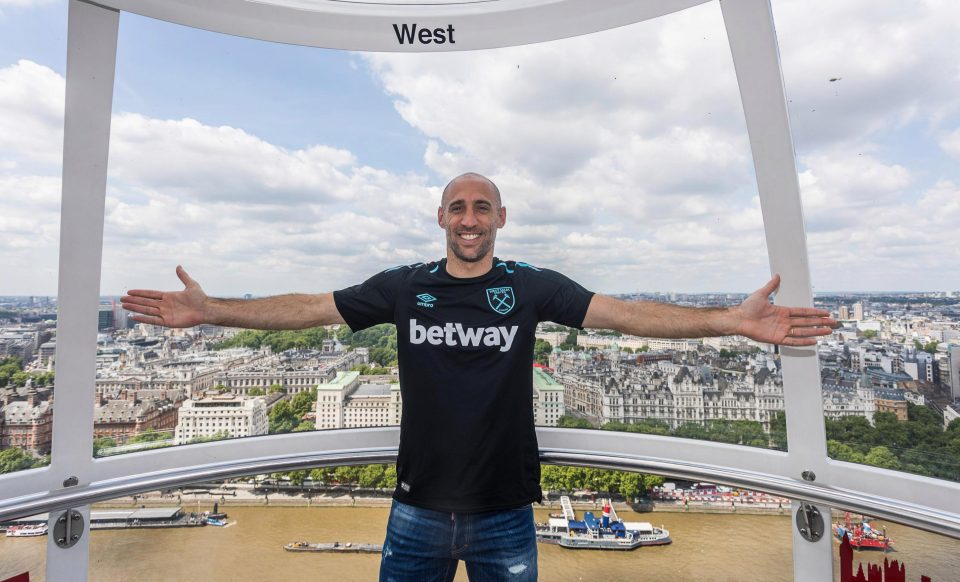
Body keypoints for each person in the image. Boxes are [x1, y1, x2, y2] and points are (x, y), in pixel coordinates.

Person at [121, 172, 836, 581]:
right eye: (458, 207)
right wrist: (211, 310)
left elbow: (622, 315)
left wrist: (729, 321)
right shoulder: (404, 286)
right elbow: (310, 308)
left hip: (503, 512)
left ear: (500, 218)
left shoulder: (531, 286)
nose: (469, 218)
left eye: (481, 207)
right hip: (416, 510)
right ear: (441, 217)